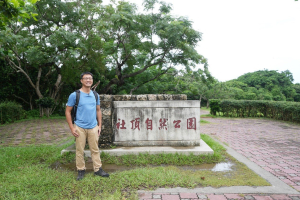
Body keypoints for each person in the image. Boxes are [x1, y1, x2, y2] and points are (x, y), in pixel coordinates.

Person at [65, 72, 109, 181]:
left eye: (90, 78)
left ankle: (98, 169)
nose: (88, 80)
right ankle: (81, 170)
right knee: (80, 149)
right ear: (81, 80)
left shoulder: (95, 95)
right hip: (79, 126)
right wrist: (72, 128)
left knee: (95, 149)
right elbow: (67, 111)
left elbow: (98, 110)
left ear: (92, 81)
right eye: (86, 78)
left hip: (93, 126)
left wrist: (99, 125)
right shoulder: (75, 95)